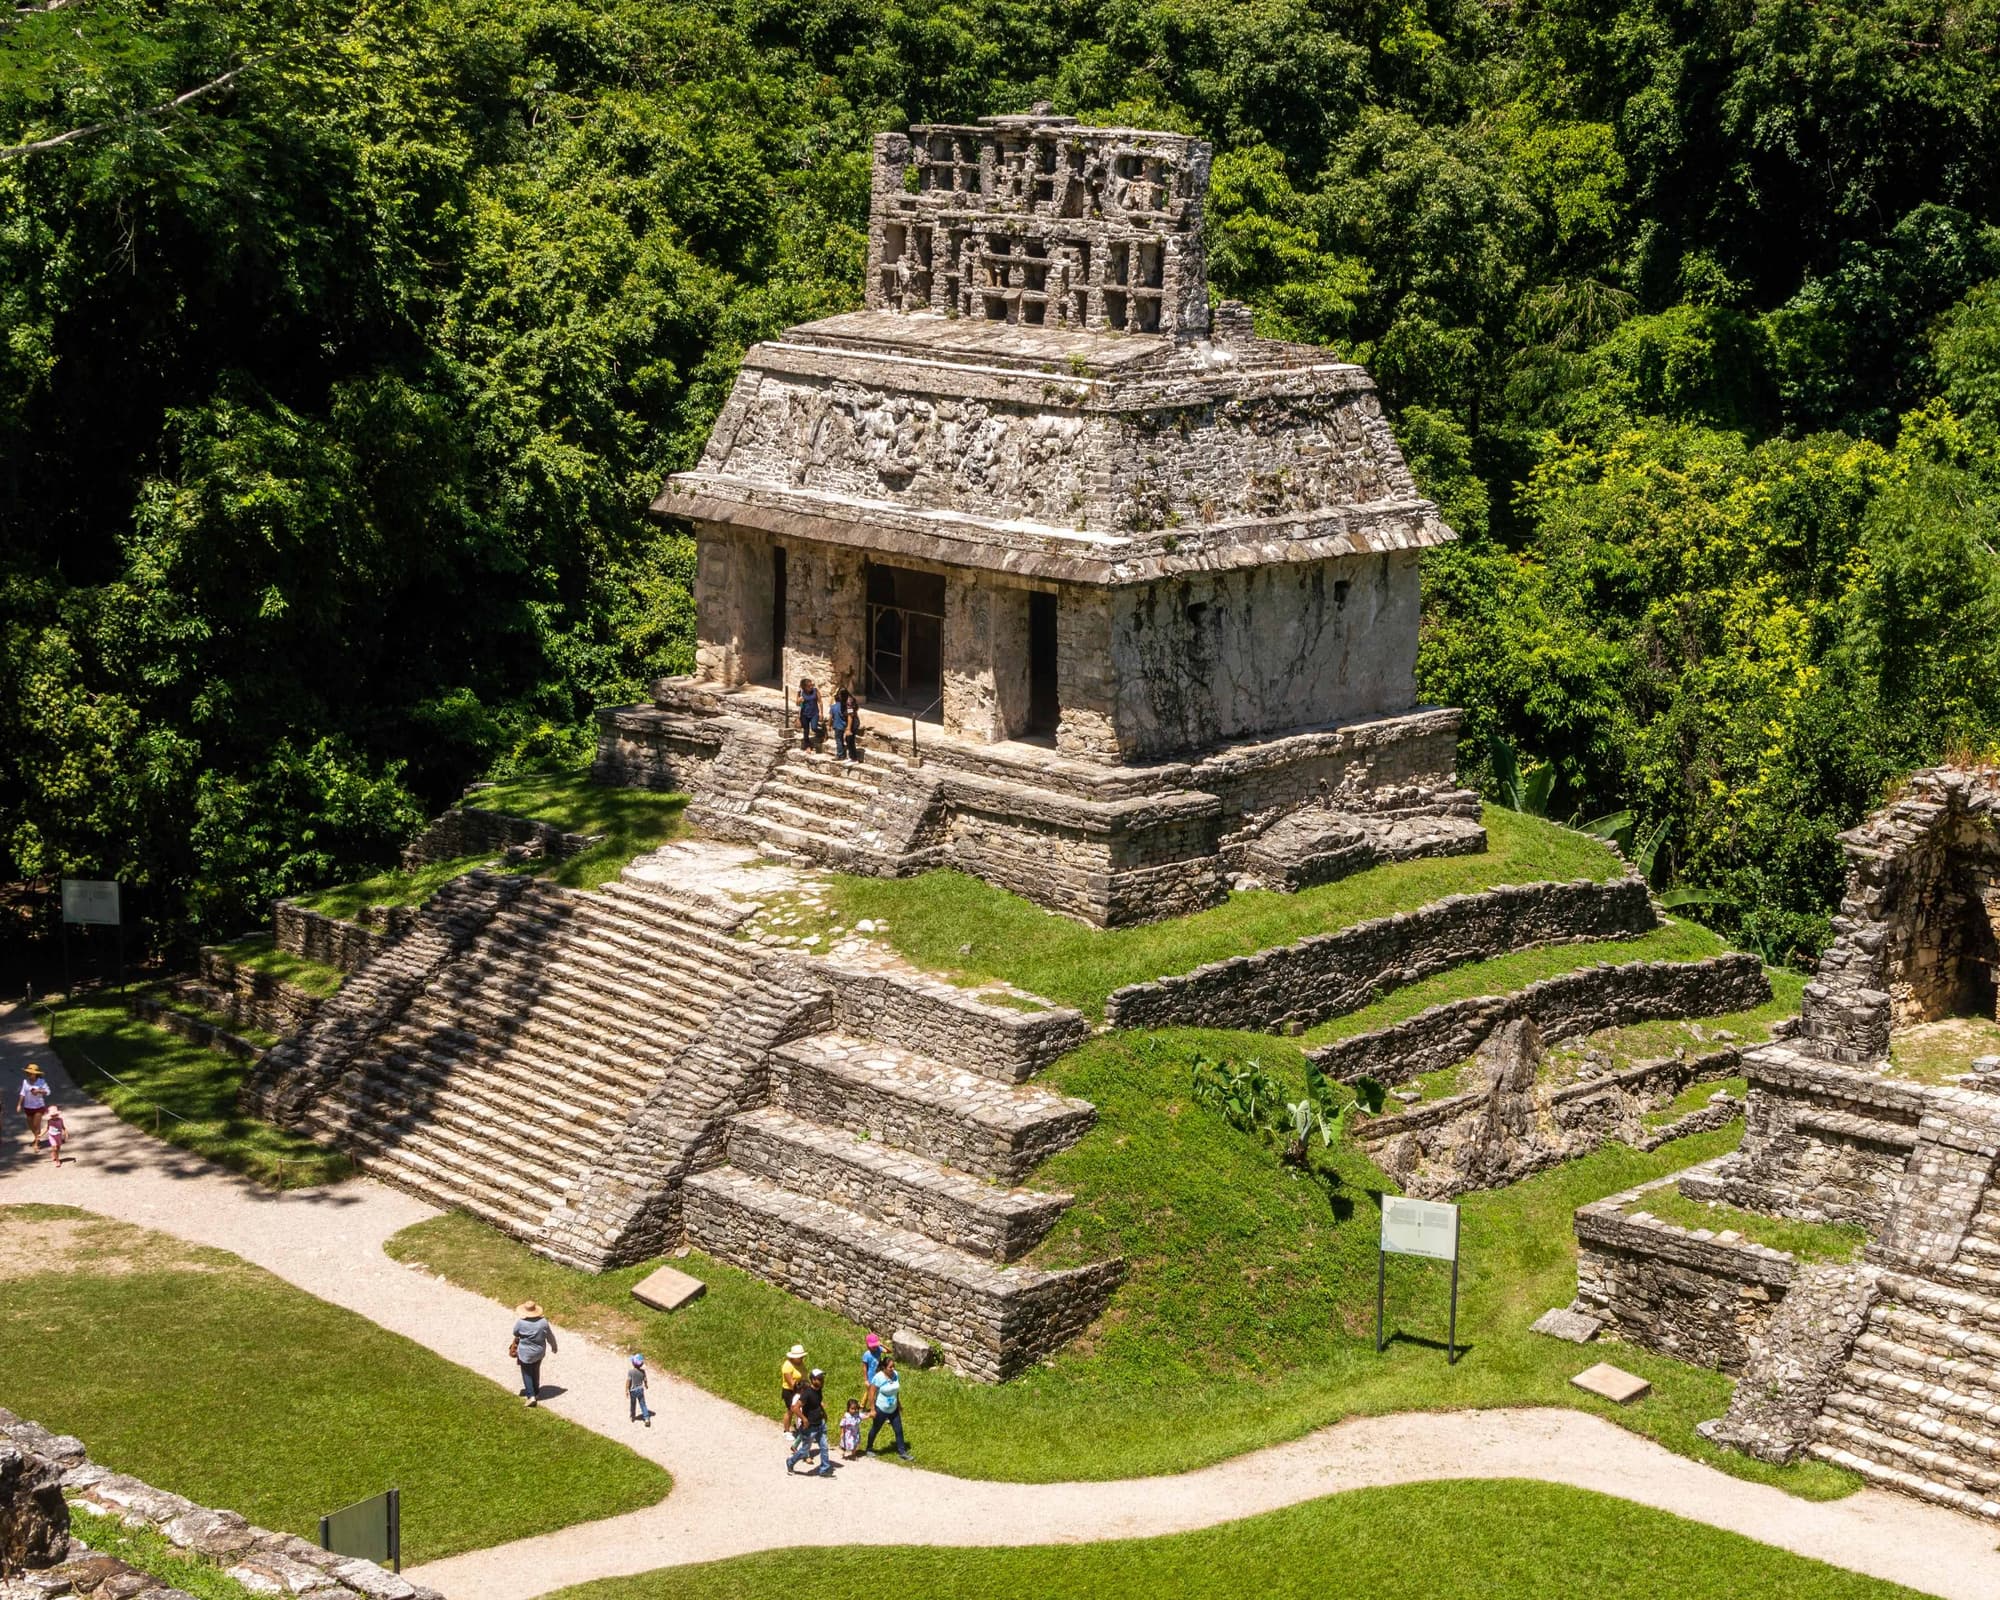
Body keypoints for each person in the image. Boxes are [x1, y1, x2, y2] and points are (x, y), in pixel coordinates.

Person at [785, 1369, 833, 1476]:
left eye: (822, 1378)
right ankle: (790, 1462)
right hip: (810, 1427)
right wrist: (804, 1419)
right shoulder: (807, 1393)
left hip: (820, 1424)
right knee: (804, 1450)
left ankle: (824, 1469)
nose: (822, 1380)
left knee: (824, 1447)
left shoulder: (819, 1390)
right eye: (819, 1379)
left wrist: (823, 1413)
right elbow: (795, 1408)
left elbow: (817, 1403)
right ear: (812, 1379)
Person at [864, 1354, 910, 1459]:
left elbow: (895, 1391)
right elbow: (871, 1393)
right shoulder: (878, 1377)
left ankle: (902, 1452)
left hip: (893, 1408)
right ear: (884, 1368)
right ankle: (869, 1448)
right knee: (875, 1429)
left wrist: (898, 1403)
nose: (893, 1369)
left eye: (893, 1366)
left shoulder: (896, 1375)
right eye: (890, 1367)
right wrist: (872, 1409)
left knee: (899, 1430)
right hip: (881, 1408)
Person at [511, 1301, 557, 1407]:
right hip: (539, 1351)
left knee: (527, 1373)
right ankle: (536, 1392)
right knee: (536, 1370)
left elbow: (515, 1332)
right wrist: (554, 1346)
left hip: (525, 1352)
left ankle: (530, 1396)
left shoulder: (521, 1323)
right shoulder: (543, 1322)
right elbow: (550, 1335)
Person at [17, 1065, 49, 1149]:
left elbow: (46, 1092)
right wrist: (19, 1104)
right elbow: (22, 1093)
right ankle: (37, 1136)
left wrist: (39, 1091)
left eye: (31, 1073)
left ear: (35, 1074)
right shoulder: (25, 1081)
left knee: (36, 1125)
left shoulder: (40, 1081)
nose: (29, 1074)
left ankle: (36, 1144)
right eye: (28, 1073)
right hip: (28, 1107)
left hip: (38, 1106)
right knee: (30, 1125)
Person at [780, 1343, 808, 1424]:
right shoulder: (787, 1366)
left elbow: (804, 1376)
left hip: (801, 1390)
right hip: (790, 1391)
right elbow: (792, 1384)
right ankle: (786, 1431)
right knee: (791, 1410)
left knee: (800, 1409)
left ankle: (799, 1426)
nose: (802, 1358)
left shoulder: (800, 1364)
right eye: (800, 1357)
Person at [627, 1354, 652, 1427]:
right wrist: (646, 1385)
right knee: (643, 1404)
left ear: (633, 1363)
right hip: (640, 1389)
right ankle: (647, 1418)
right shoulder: (643, 1372)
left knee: (633, 1404)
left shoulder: (630, 1372)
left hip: (633, 1390)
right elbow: (645, 1380)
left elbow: (628, 1381)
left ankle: (633, 1416)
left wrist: (626, 1390)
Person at [797, 679, 822, 751]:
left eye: (812, 685)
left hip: (814, 713)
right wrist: (799, 700)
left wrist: (821, 713)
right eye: (809, 686)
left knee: (814, 727)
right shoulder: (801, 693)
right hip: (804, 714)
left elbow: (820, 702)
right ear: (804, 687)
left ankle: (821, 733)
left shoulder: (815, 691)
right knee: (806, 730)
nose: (811, 687)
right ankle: (807, 746)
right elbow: (798, 704)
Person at [839, 689, 862, 763]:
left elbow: (850, 716)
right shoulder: (846, 700)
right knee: (848, 739)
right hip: (850, 722)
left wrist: (848, 728)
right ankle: (852, 756)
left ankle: (854, 758)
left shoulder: (849, 702)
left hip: (853, 723)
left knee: (850, 739)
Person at [829, 688, 850, 761]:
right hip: (844, 725)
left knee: (839, 740)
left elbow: (831, 718)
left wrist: (829, 725)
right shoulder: (847, 706)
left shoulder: (833, 707)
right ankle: (843, 752)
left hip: (837, 726)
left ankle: (839, 755)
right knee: (842, 740)